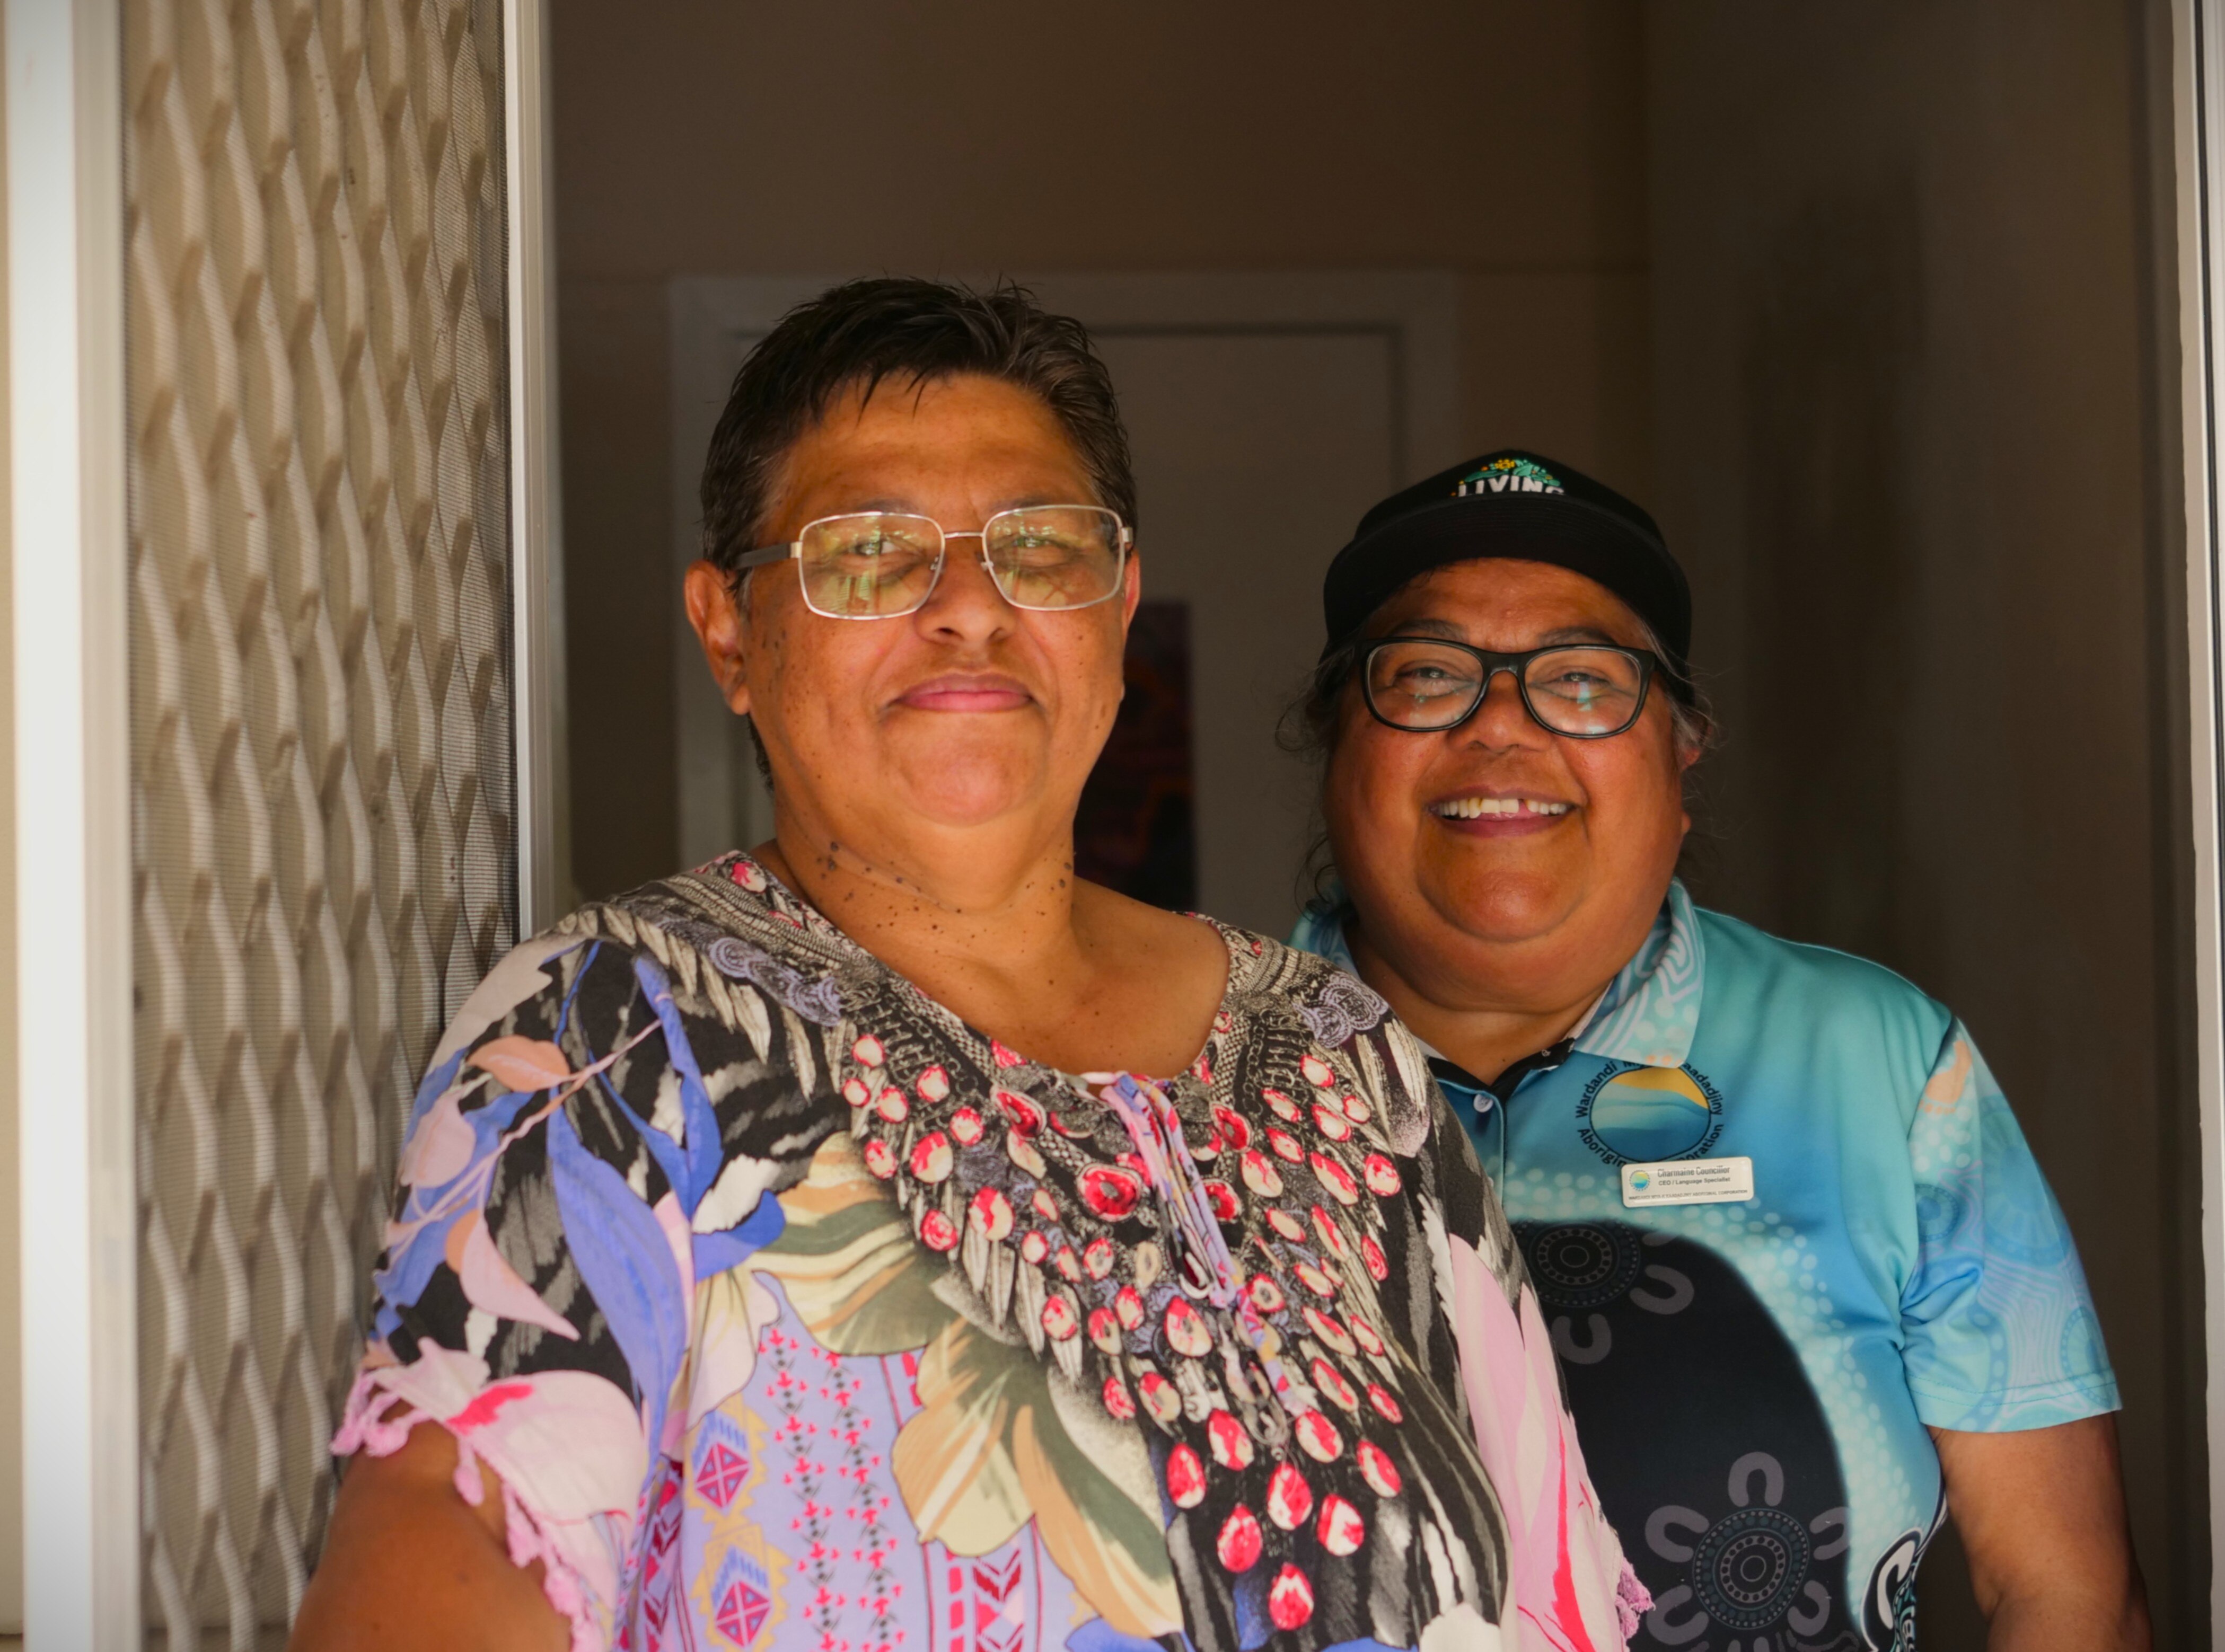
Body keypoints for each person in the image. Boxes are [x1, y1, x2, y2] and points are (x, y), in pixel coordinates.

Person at [290, 286, 1642, 1652]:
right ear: (728, 635)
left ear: (1117, 608)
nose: (966, 608)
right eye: (867, 552)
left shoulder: (1344, 1049)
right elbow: (442, 1524)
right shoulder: (612, 1029)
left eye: (1038, 548)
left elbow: (1552, 1583)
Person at [1286, 450, 2149, 1652]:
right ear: (1334, 743)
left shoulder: (1879, 1063)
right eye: (1427, 674)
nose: (1500, 727)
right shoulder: (1187, 1075)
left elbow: (2061, 1591)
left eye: (1582, 681)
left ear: (1679, 752)